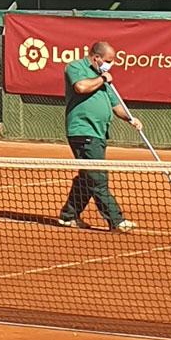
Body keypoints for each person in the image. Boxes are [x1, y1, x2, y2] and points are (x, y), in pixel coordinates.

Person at [58, 40, 142, 232]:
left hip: (99, 132)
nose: (109, 65)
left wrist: (130, 118)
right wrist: (103, 79)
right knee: (97, 177)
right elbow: (80, 87)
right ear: (96, 58)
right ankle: (116, 220)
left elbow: (115, 105)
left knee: (88, 176)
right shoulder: (75, 67)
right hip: (82, 131)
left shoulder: (102, 76)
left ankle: (68, 216)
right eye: (107, 60)